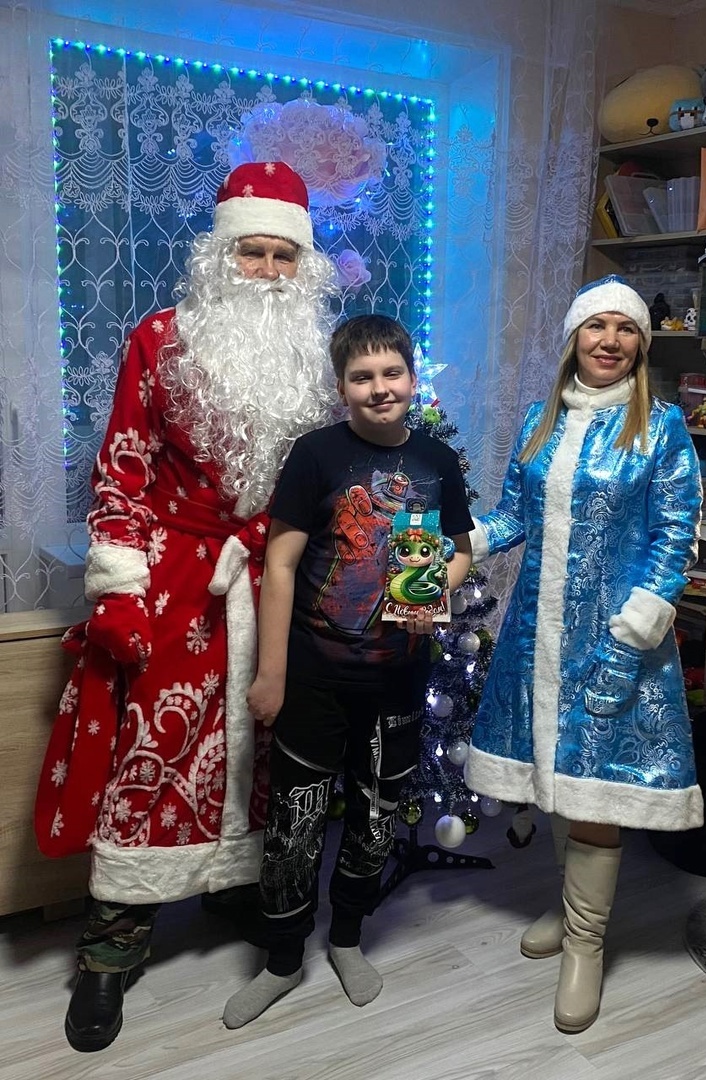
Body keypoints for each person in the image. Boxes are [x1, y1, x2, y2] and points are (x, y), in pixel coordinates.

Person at [33, 161, 340, 1053]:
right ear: (219, 254)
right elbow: (121, 465)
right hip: (176, 575)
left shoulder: (319, 354)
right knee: (152, 745)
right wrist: (119, 588)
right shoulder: (161, 337)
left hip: (277, 574)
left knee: (266, 745)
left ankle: (234, 886)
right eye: (253, 251)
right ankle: (112, 943)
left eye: (285, 255)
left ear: (306, 265)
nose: (269, 271)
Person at [465, 274, 704, 1034]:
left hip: (615, 641)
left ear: (640, 344)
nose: (609, 340)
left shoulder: (659, 427)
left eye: (625, 329)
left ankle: (585, 944)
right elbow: (513, 516)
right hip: (537, 636)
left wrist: (635, 631)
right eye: (596, 326)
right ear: (574, 338)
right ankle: (568, 907)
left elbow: (675, 537)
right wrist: (460, 546)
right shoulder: (541, 421)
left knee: (595, 792)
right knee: (556, 780)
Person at [221, 314, 473, 1029]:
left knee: (375, 816)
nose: (379, 387)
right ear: (342, 388)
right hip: (314, 678)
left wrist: (435, 591)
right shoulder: (316, 455)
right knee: (295, 823)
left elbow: (459, 549)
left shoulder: (437, 461)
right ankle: (281, 959)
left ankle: (348, 938)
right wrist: (271, 674)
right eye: (363, 377)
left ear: (412, 378)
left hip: (397, 681)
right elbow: (279, 565)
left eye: (392, 372)